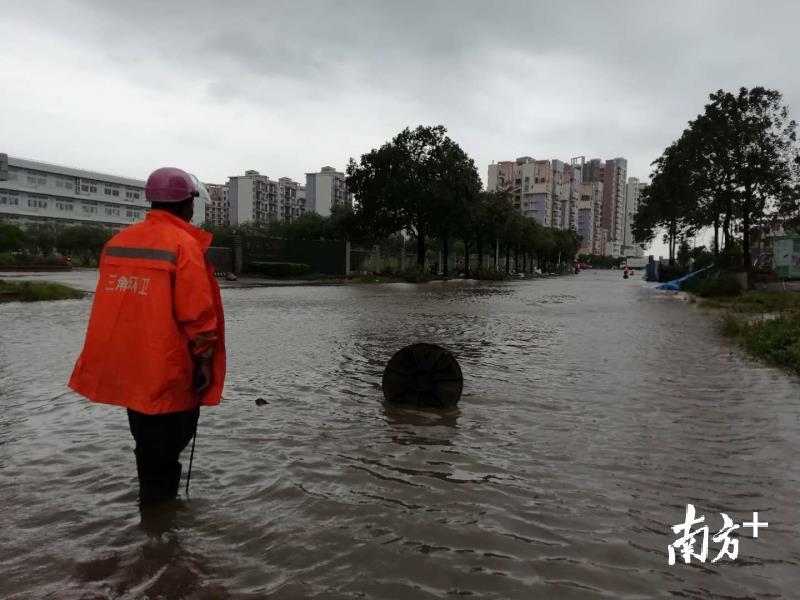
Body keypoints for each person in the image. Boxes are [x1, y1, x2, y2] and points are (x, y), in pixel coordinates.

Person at [69, 167, 226, 504]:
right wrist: (204, 360)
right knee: (168, 446)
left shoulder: (118, 243)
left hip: (130, 366)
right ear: (185, 204)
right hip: (167, 367)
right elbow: (197, 313)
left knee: (147, 444)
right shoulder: (184, 245)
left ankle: (155, 520)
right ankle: (160, 518)